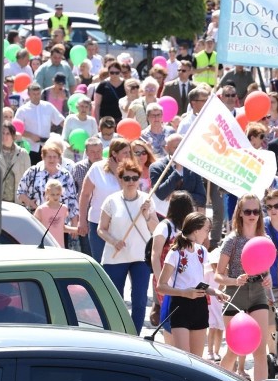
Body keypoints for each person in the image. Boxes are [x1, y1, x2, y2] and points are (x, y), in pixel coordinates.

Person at [97, 158, 159, 334]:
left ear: (139, 179)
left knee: (139, 300)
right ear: (120, 179)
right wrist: (114, 241)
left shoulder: (147, 200)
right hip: (116, 256)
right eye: (127, 178)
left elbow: (155, 228)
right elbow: (101, 229)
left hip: (140, 256)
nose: (131, 182)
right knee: (115, 299)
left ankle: (135, 335)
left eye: (134, 178)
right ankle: (115, 334)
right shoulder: (111, 201)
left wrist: (147, 214)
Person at [214, 195, 272, 381]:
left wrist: (268, 278)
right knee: (234, 349)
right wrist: (234, 281)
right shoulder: (232, 240)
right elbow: (218, 275)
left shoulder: (264, 239)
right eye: (248, 211)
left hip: (257, 292)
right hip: (235, 293)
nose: (252, 215)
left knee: (260, 350)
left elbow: (266, 269)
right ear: (239, 213)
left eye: (256, 211)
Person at [156, 212, 229, 355]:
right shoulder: (175, 253)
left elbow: (198, 282)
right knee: (183, 358)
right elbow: (161, 286)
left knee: (197, 360)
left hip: (199, 306)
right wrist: (184, 293)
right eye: (206, 230)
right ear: (196, 230)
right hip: (180, 306)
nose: (207, 235)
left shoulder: (202, 251)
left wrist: (214, 292)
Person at [78, 139, 132, 263]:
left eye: (129, 152)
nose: (128, 156)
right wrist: (82, 220)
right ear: (114, 153)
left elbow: (129, 193)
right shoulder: (97, 168)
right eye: (125, 153)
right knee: (100, 262)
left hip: (122, 224)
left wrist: (118, 174)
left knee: (120, 262)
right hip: (98, 223)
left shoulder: (131, 169)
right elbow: (85, 195)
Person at [149, 190, 196, 330]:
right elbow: (155, 255)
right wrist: (160, 281)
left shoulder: (189, 228)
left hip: (184, 280)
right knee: (173, 320)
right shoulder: (165, 227)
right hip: (168, 281)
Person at [17, 142, 79, 227]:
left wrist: (74, 223)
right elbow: (20, 192)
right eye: (49, 157)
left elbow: (72, 200)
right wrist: (30, 203)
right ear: (43, 157)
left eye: (55, 157)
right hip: (36, 222)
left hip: (59, 223)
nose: (52, 160)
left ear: (59, 158)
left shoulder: (66, 175)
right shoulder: (32, 172)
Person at [15, 83, 65, 164]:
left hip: (46, 147)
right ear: (29, 94)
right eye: (33, 94)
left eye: (38, 94)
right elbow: (16, 130)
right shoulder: (22, 110)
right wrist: (31, 135)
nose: (36, 96)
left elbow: (61, 121)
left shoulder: (48, 106)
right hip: (29, 148)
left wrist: (67, 135)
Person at [0, 121, 31, 203]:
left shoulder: (23, 154)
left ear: (13, 136)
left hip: (17, 201)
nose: (4, 136)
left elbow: (28, 179)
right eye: (2, 133)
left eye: (8, 133)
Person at [34, 179, 76, 248]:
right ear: (47, 192)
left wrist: (76, 230)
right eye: (52, 194)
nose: (55, 197)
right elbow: (35, 228)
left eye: (58, 194)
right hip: (45, 245)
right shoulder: (41, 210)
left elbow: (61, 227)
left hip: (59, 245)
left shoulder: (63, 208)